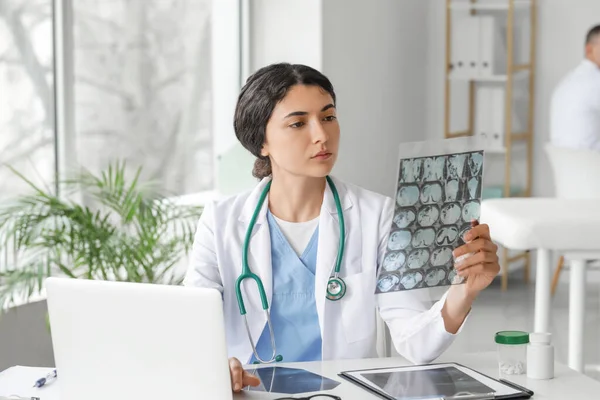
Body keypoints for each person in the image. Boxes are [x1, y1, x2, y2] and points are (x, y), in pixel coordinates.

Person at [184, 63, 500, 393]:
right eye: (298, 123)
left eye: (328, 117)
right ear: (261, 141)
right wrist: (216, 363)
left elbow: (415, 343)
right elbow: (191, 328)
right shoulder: (220, 222)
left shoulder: (377, 216)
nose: (321, 134)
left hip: (342, 394)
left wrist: (464, 291)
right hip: (247, 392)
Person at [550, 24, 600, 151]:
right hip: (591, 164)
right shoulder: (594, 80)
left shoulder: (567, 81)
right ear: (589, 50)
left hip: (567, 166)